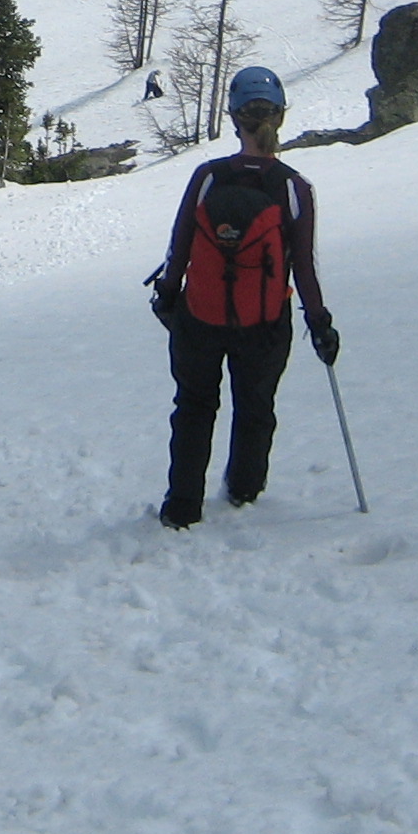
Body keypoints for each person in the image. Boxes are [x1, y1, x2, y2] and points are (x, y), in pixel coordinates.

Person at [146, 65, 338, 528]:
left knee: (194, 408)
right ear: (280, 117)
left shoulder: (209, 177)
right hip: (264, 323)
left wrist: (168, 296)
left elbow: (180, 246)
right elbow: (304, 265)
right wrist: (319, 322)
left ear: (234, 118)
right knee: (256, 407)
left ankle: (182, 506)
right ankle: (244, 490)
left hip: (200, 317)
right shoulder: (293, 186)